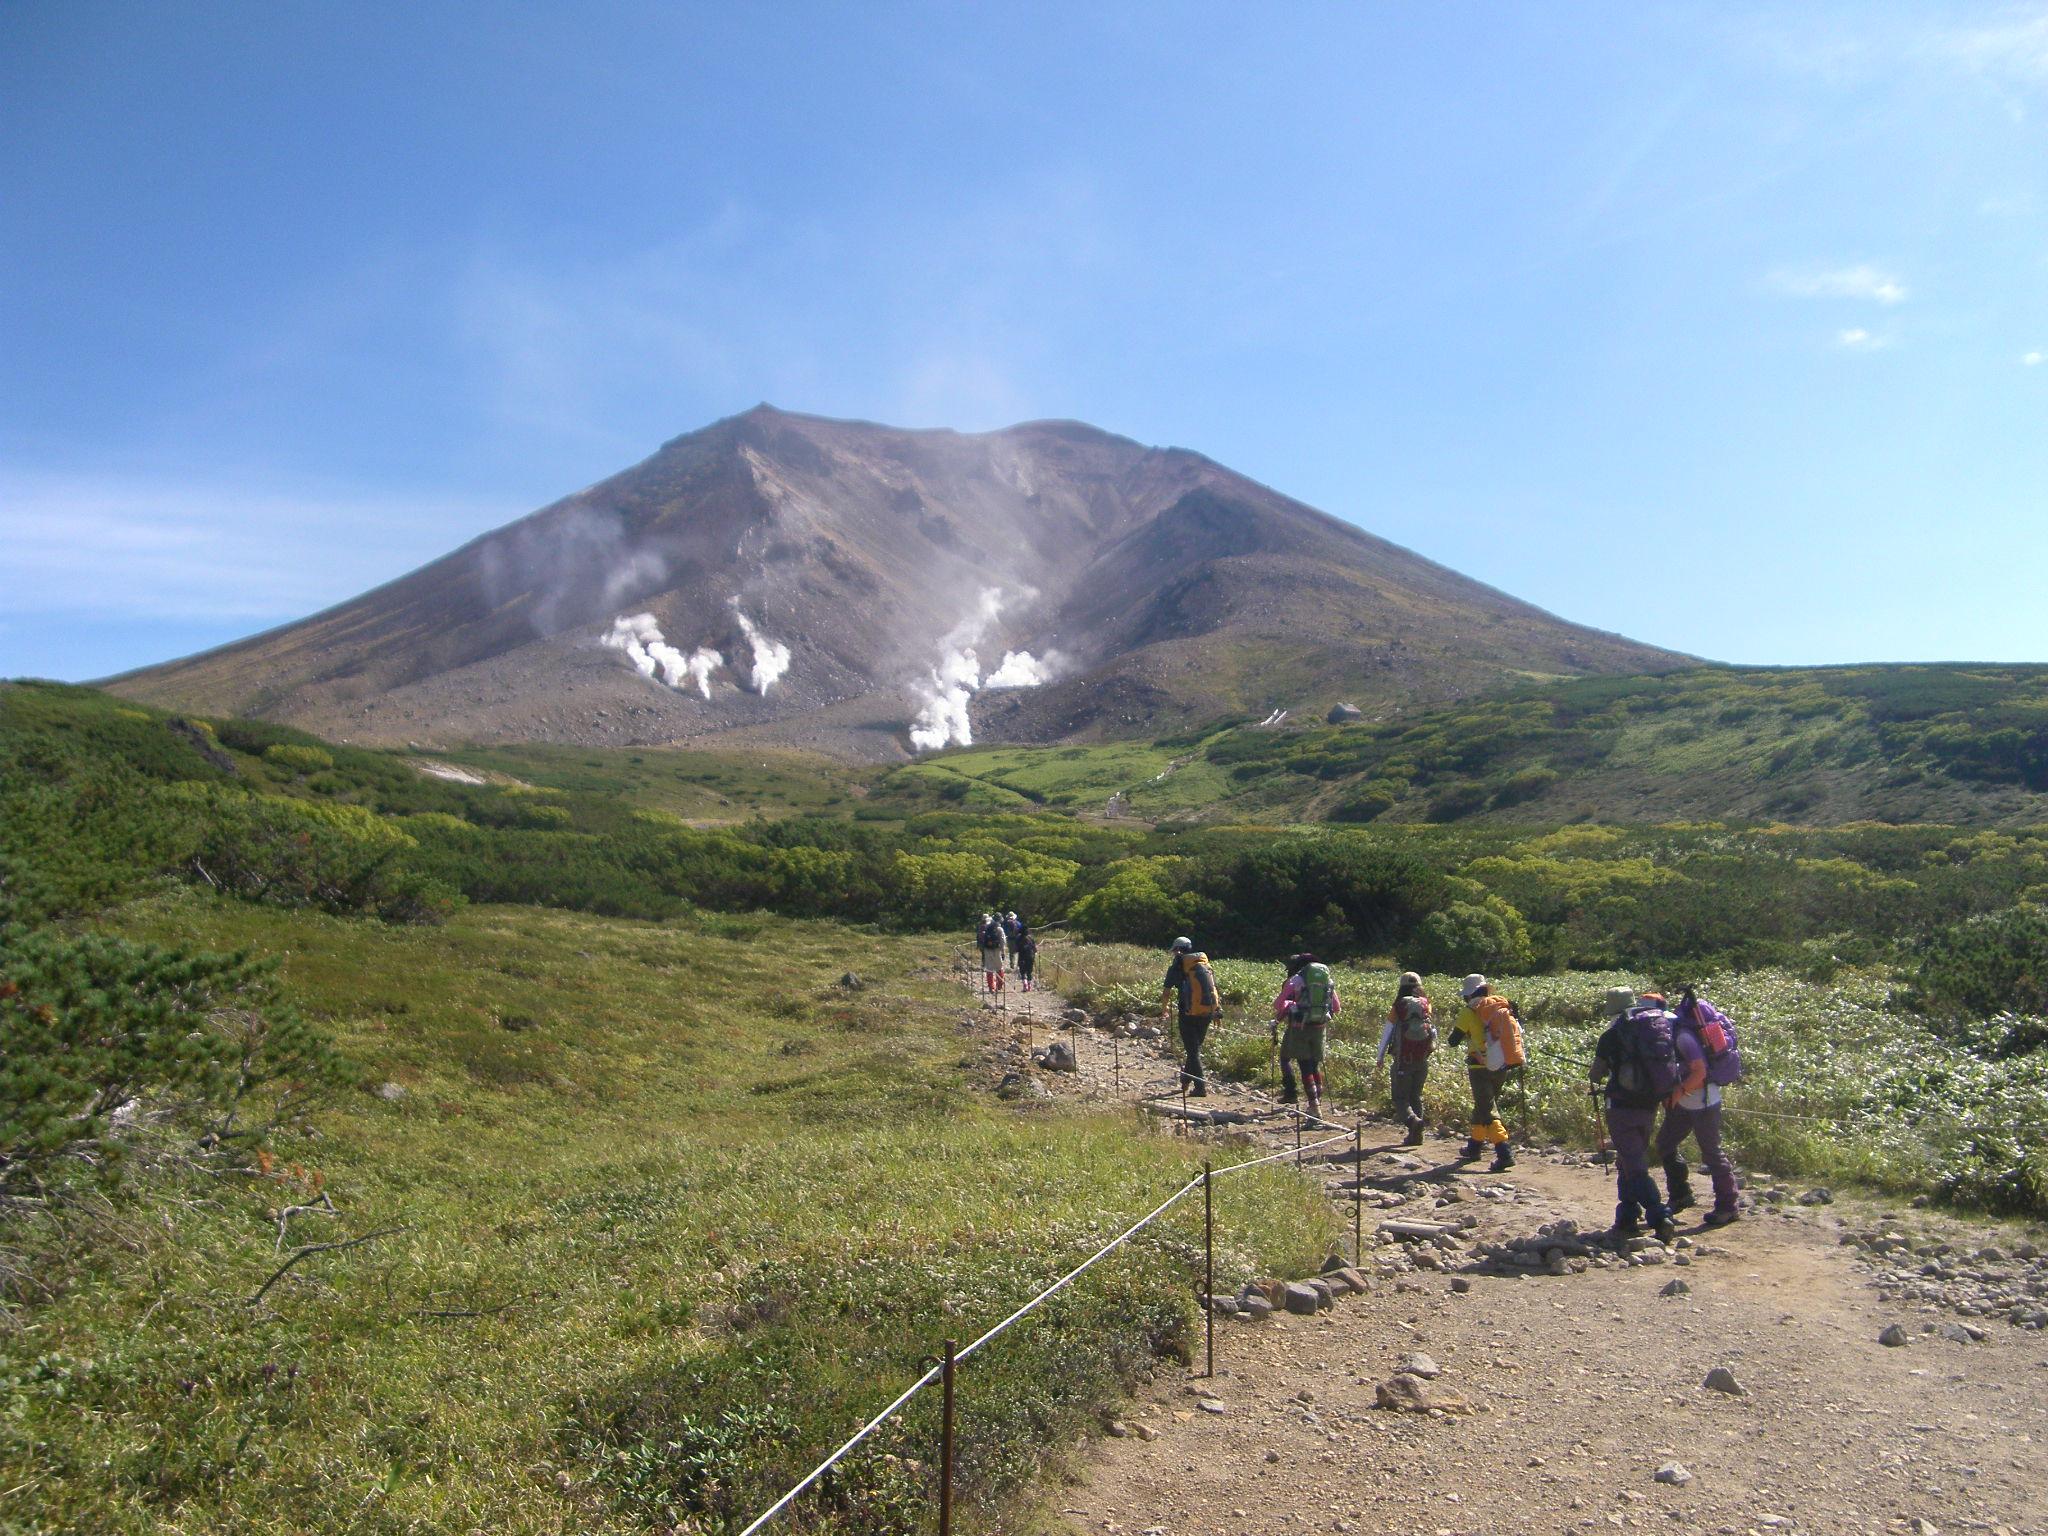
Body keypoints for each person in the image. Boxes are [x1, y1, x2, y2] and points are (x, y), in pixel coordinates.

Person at [1590, 986, 1679, 1244]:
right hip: (1649, 1103)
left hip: (1621, 1105)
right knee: (1629, 1158)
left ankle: (1659, 1215)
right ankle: (1627, 1216)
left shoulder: (1611, 1035)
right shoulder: (1652, 1027)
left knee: (1634, 1163)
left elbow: (1596, 1074)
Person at [1657, 986, 1741, 1227]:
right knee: (1665, 1143)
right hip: (1691, 1100)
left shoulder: (1683, 1036)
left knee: (1712, 1153)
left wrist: (1678, 1092)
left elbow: (1699, 1071)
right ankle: (1681, 1194)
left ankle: (1728, 1206)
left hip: (1702, 1102)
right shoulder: (1682, 1032)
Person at [1448, 974, 1520, 1171]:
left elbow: (1453, 1041)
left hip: (1479, 1066)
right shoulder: (1500, 1007)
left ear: (1468, 994)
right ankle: (1474, 1146)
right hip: (1502, 1065)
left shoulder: (1468, 1011)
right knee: (1484, 1105)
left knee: (1488, 1109)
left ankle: (1504, 1152)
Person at [1272, 953, 1340, 1118]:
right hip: (1320, 1027)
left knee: (1304, 1065)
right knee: (1314, 1065)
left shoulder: (1295, 980)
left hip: (1299, 1027)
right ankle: (1317, 1102)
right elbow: (1336, 1008)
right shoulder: (1327, 981)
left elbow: (1278, 1004)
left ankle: (1313, 1105)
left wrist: (1292, 1005)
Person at [1375, 970, 1434, 1147]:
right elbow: (1433, 1030)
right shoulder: (1425, 1005)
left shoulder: (1399, 1006)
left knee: (1400, 1098)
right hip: (1422, 1059)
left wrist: (1380, 1057)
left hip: (1403, 1060)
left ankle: (1413, 1122)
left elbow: (1387, 1032)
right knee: (1416, 1096)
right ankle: (1416, 1137)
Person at [1160, 936, 1221, 1097]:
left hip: (1187, 1013)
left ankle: (1200, 1087)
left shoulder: (1177, 967)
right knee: (1194, 1048)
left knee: (1193, 1051)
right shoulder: (1203, 963)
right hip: (1207, 1012)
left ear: (1178, 950)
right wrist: (1216, 1011)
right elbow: (1213, 988)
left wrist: (1164, 1009)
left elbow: (1166, 992)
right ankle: (1186, 1079)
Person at [976, 912, 1008, 994]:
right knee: (999, 967)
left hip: (987, 950)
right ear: (1000, 920)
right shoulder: (999, 929)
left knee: (989, 968)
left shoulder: (987, 927)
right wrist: (1003, 952)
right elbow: (1003, 941)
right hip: (997, 950)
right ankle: (1000, 985)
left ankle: (991, 988)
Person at [1014, 921, 1038, 993]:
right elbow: (1035, 949)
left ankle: (1025, 985)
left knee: (1023, 971)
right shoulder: (1030, 938)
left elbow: (1016, 949)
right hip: (1030, 956)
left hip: (1022, 956)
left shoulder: (1018, 938)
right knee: (1029, 971)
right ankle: (1029, 986)